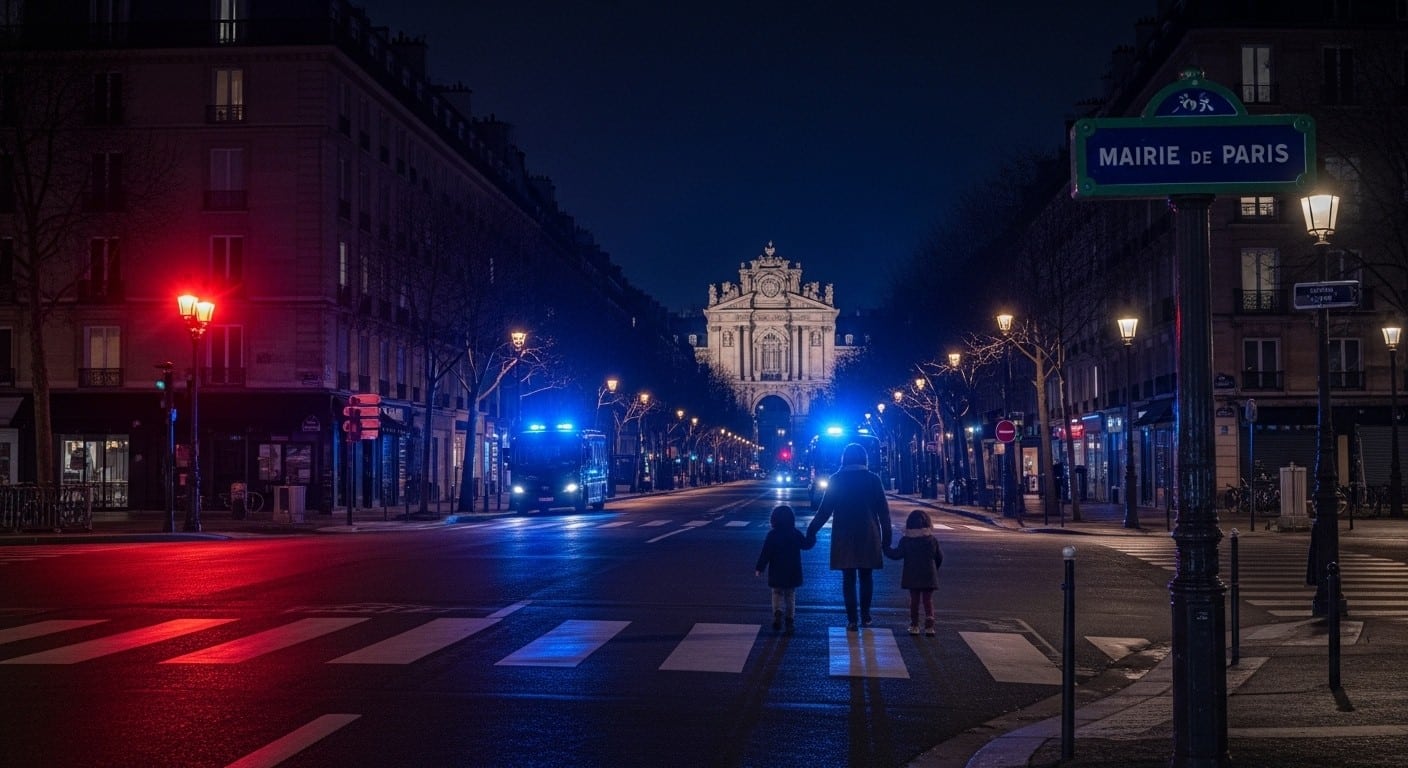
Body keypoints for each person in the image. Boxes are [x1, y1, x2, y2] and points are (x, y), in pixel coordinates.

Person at [806, 442, 893, 631]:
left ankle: (852, 619)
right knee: (866, 576)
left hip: (844, 535)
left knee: (848, 579)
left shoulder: (836, 479)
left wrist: (811, 531)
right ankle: (866, 615)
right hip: (868, 534)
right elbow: (884, 513)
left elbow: (824, 511)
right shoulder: (873, 480)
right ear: (865, 459)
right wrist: (887, 540)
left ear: (844, 459)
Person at [884, 509, 944, 636]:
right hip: (929, 574)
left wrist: (886, 549)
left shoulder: (906, 540)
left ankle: (914, 625)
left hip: (912, 575)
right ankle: (929, 626)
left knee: (914, 601)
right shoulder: (931, 540)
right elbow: (939, 557)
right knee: (928, 600)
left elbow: (897, 555)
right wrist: (935, 569)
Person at [754, 504, 814, 633]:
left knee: (776, 593)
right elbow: (806, 545)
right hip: (792, 570)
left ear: (774, 519)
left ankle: (777, 612)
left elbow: (766, 553)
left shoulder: (772, 535)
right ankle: (790, 619)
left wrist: (760, 567)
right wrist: (812, 535)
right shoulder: (795, 533)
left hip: (777, 570)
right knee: (790, 595)